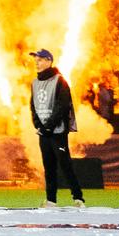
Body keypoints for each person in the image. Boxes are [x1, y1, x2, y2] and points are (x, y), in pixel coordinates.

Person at [27, 48, 83, 204]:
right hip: (44, 133)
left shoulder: (60, 81)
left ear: (49, 61)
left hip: (58, 133)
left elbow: (62, 106)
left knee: (65, 165)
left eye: (40, 60)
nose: (36, 63)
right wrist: (39, 125)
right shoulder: (35, 83)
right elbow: (33, 106)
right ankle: (51, 200)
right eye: (35, 60)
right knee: (48, 166)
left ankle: (78, 197)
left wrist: (49, 126)